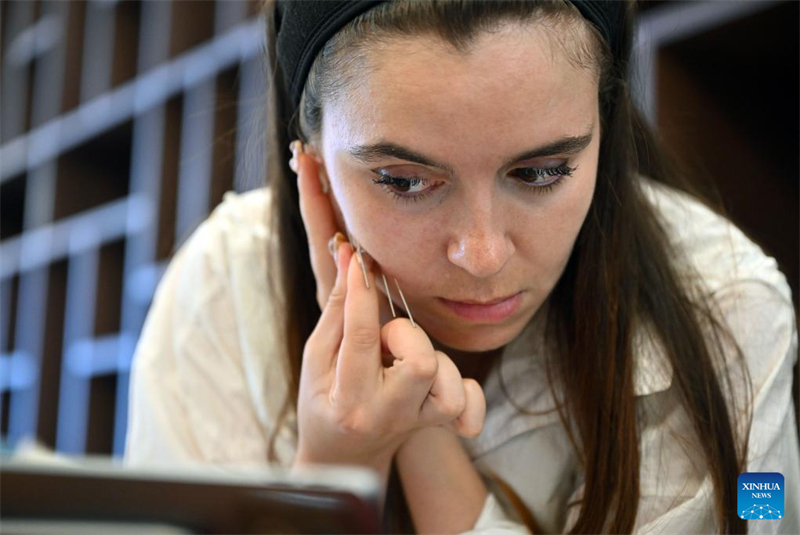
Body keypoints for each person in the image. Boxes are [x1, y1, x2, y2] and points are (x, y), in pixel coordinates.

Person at [123, 0, 799, 533]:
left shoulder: (729, 303)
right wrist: (333, 475)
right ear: (315, 159)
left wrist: (418, 442)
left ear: (606, 123)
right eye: (404, 181)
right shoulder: (225, 287)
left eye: (540, 171)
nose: (482, 255)